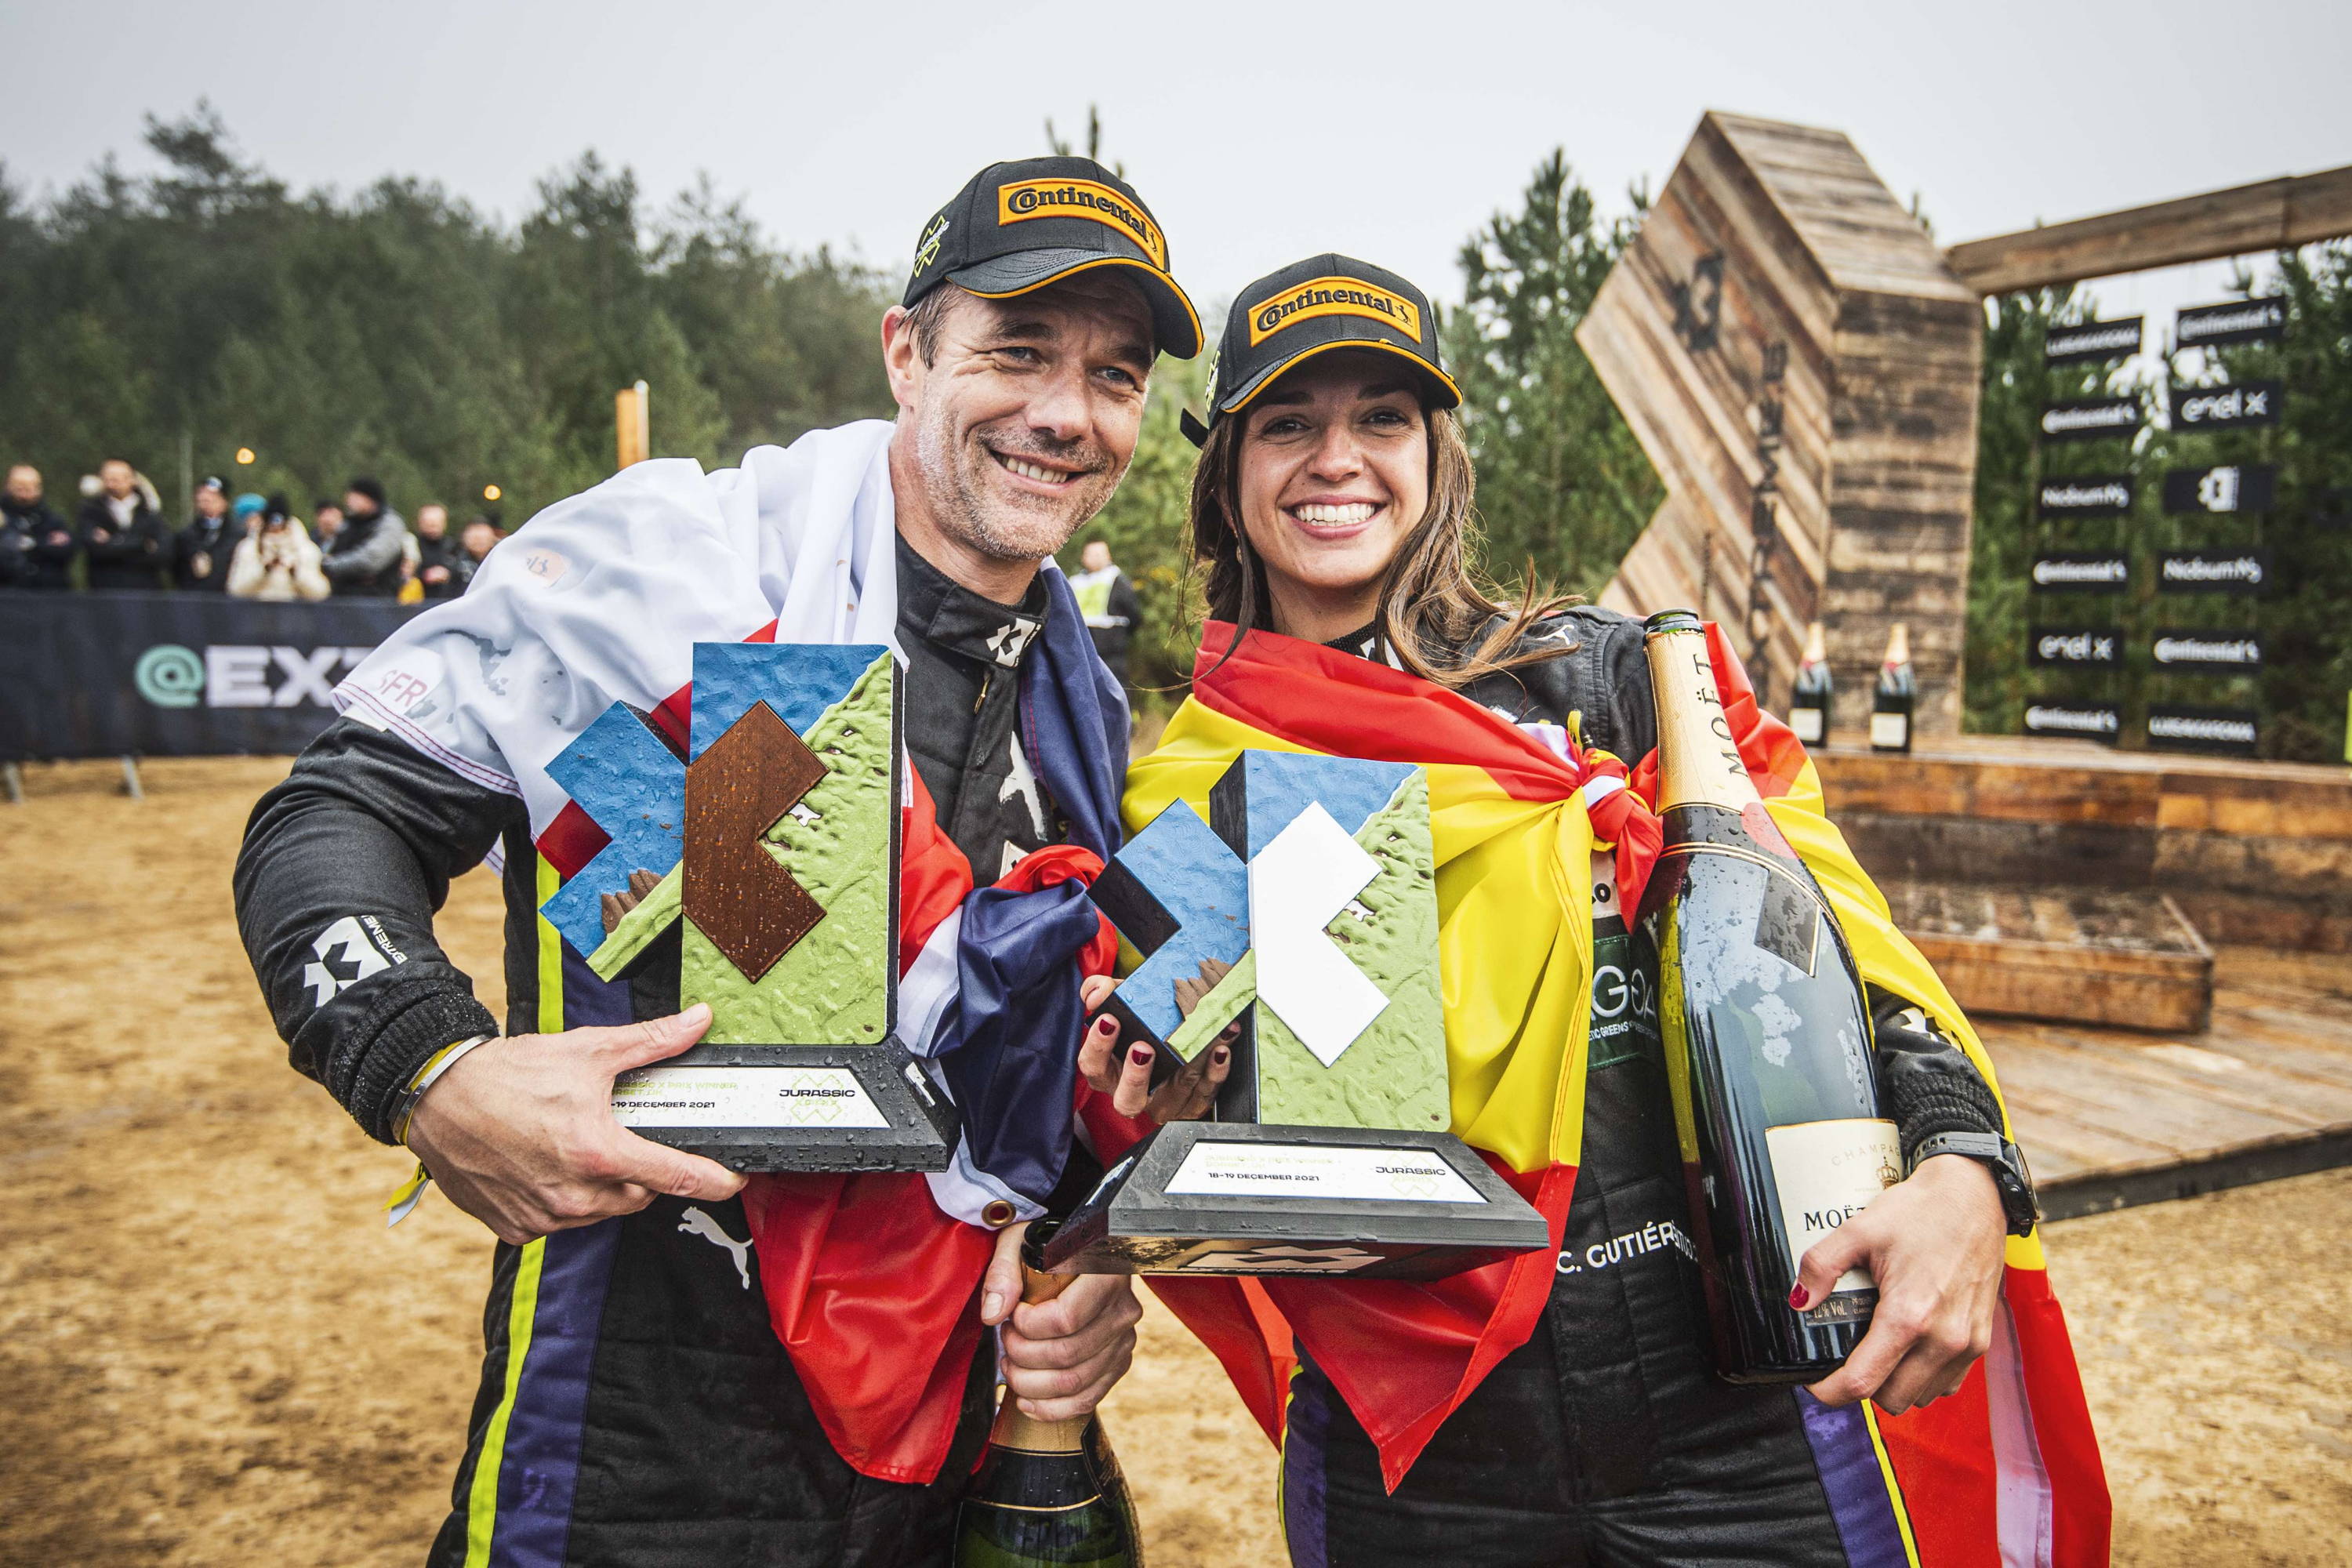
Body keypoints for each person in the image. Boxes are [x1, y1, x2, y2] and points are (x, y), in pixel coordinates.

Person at [232, 155, 1203, 1566]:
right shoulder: (677, 574)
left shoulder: (1080, 703)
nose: (1065, 412)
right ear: (906, 351)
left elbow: (1024, 1068)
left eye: (1114, 376)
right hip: (641, 1439)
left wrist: (1082, 1265)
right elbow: (330, 817)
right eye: (1017, 351)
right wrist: (427, 1069)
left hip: (945, 1447)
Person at [1084, 256, 2107, 1566]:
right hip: (1423, 1453)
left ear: (1438, 457)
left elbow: (1841, 955)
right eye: (1289, 423)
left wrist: (1965, 1164)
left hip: (1743, 1417)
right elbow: (1186, 1116)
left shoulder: (1620, 683)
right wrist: (1172, 1106)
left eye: (1381, 418)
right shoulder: (1197, 782)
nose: (1337, 459)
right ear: (1228, 474)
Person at [76, 458, 170, 591]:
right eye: (108, 478)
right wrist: (142, 545)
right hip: (105, 591)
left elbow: (164, 553)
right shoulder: (90, 511)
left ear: (133, 480)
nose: (112, 483)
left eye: (118, 478)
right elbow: (96, 549)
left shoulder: (149, 511)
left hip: (146, 592)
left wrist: (113, 542)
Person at [227, 495, 331, 602]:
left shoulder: (306, 549)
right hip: (256, 613)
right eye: (271, 526)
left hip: (295, 613)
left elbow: (320, 593)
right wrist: (263, 571)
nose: (276, 530)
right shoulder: (248, 548)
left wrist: (296, 573)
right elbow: (235, 589)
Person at [1068, 537, 1141, 688]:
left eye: (1099, 554)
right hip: (1081, 646)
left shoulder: (1117, 580)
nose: (1095, 558)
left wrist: (1120, 637)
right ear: (1083, 557)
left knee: (1114, 687)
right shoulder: (1075, 581)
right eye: (1091, 554)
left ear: (1108, 556)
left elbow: (1134, 615)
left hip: (1111, 648)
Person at [319, 476, 408, 597]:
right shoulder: (349, 524)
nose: (349, 501)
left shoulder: (389, 524)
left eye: (355, 497)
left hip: (377, 601)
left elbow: (371, 560)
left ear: (370, 499)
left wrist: (330, 565)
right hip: (342, 599)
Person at [1, 464, 75, 590]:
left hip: (49, 592)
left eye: (31, 487)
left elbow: (66, 551)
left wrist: (30, 545)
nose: (25, 492)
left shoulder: (52, 519)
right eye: (20, 486)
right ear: (8, 486)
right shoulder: (3, 518)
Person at [172, 477, 241, 591]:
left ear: (224, 502)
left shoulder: (238, 535)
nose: (205, 498)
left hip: (227, 599)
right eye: (202, 494)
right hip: (194, 598)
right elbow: (176, 570)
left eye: (212, 495)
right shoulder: (186, 536)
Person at [411, 502, 466, 598]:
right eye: (428, 522)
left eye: (437, 522)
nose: (432, 525)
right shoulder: (411, 545)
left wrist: (448, 573)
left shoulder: (455, 547)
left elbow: (462, 571)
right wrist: (423, 575)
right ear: (419, 522)